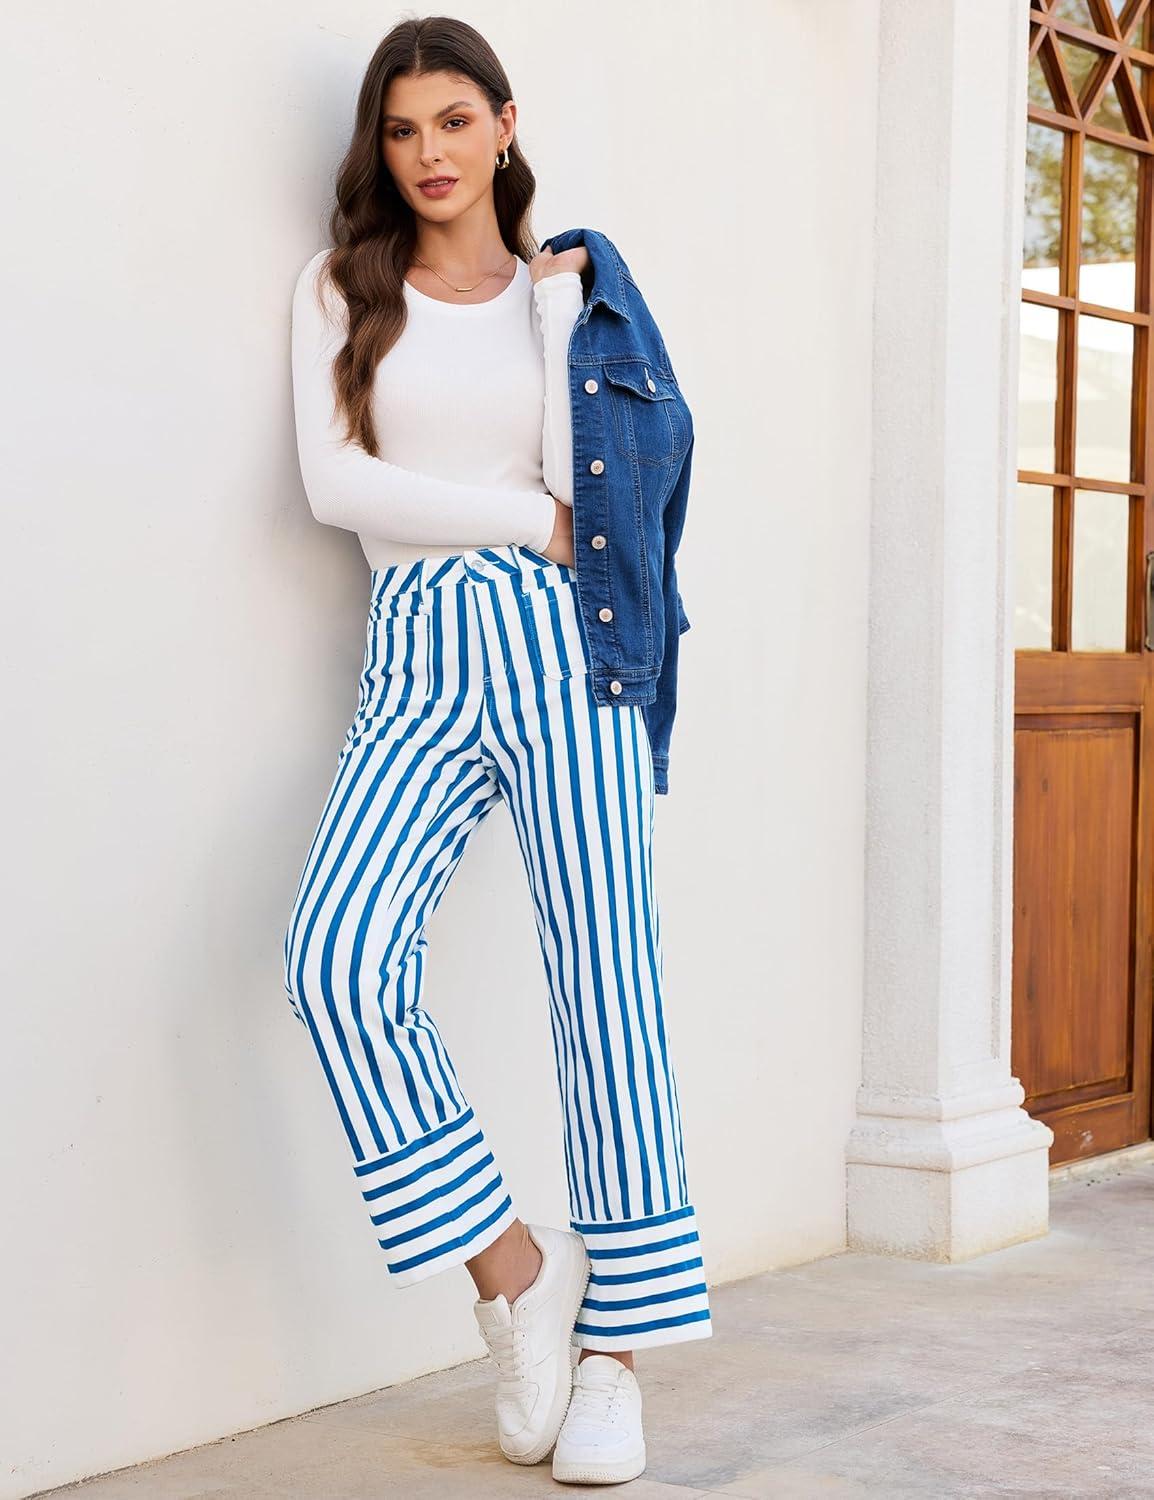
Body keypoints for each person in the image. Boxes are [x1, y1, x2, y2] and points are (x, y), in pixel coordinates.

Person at [282, 13, 710, 1487]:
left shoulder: (565, 295)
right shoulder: (340, 289)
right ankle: (513, 1273)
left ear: (505, 125)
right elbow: (336, 484)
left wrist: (561, 523)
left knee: (607, 990)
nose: (429, 155)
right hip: (418, 643)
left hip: (562, 649)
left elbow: (637, 482)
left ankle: (617, 1356)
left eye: (454, 122)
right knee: (336, 962)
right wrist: (530, 519)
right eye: (402, 130)